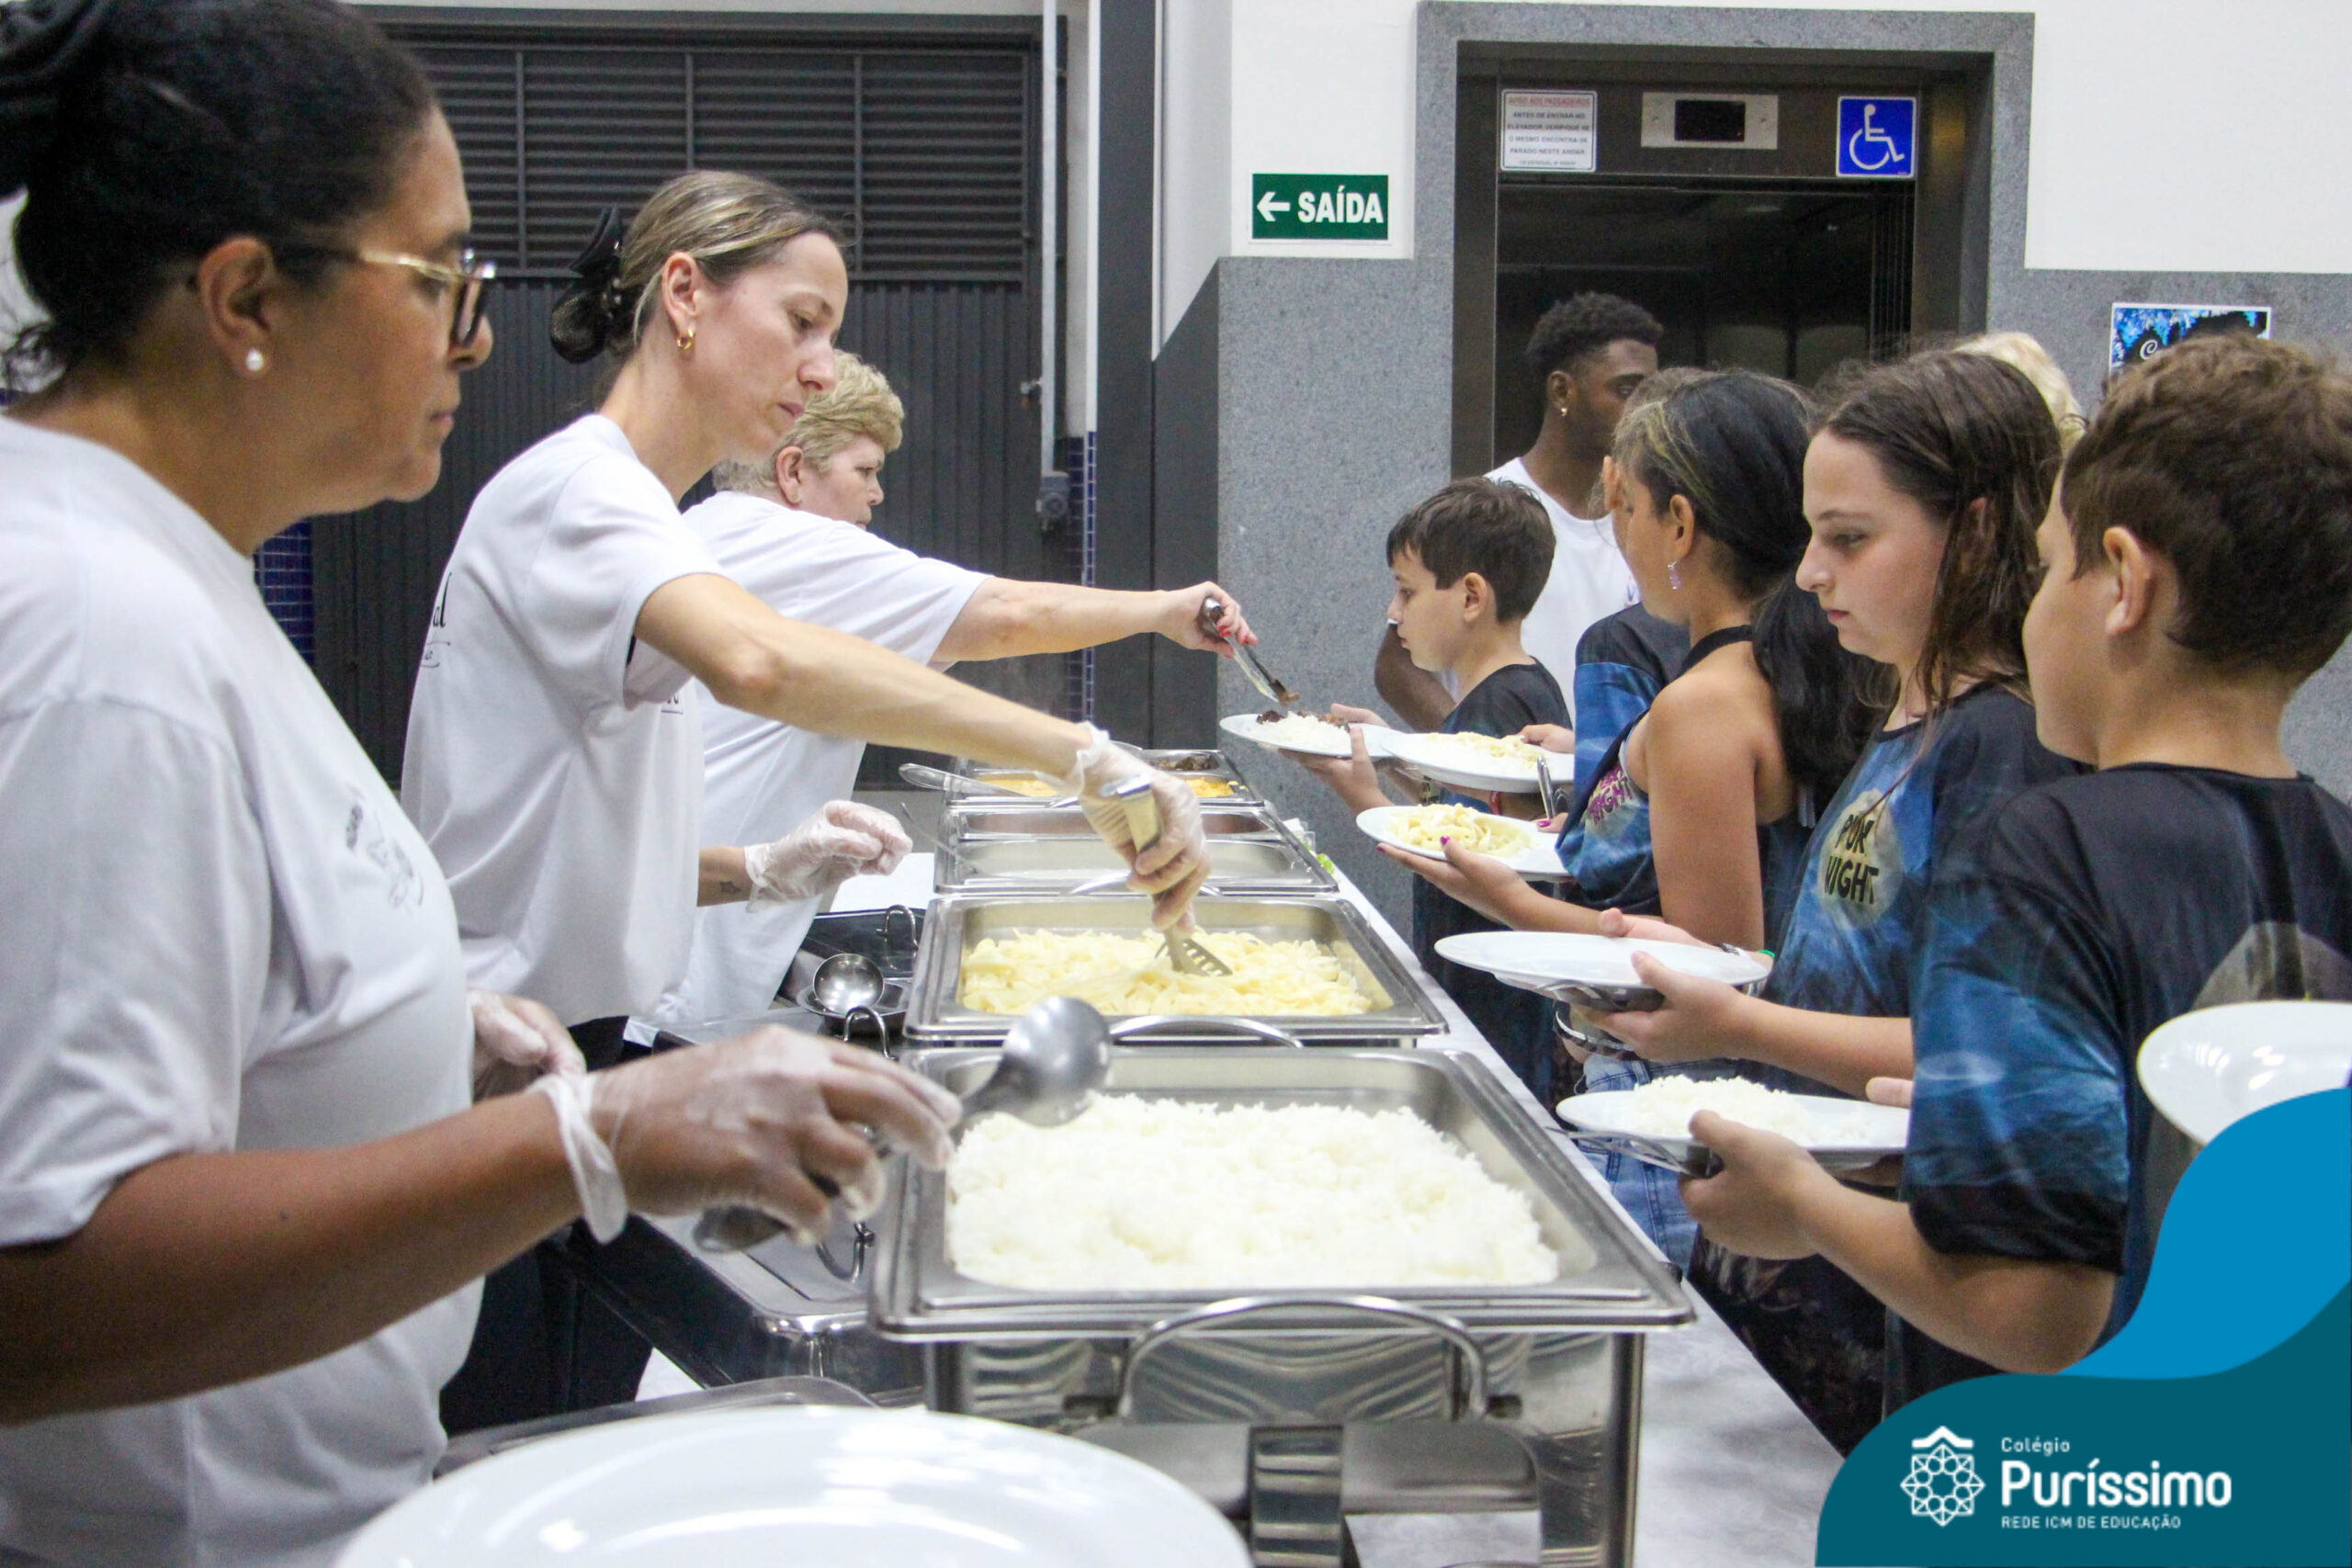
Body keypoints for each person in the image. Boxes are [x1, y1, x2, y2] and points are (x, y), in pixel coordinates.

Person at [0, 3, 960, 1562]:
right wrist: (587, 1141)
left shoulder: (175, 583)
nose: (479, 333)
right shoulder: (93, 630)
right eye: (442, 277)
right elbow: (43, 1282)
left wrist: (409, 1029)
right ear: (247, 295)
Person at [402, 169, 1214, 1429]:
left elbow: (558, 827)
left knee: (564, 1422)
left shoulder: (649, 517)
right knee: (502, 1441)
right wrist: (1082, 755)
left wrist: (757, 867)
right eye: (801, 322)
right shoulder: (581, 491)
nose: (823, 367)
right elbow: (764, 664)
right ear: (686, 295)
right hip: (493, 1066)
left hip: (568, 1049)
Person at [1676, 334, 2352, 1413]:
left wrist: (1800, 1201)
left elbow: (2029, 1307)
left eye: (2049, 568)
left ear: (2123, 583)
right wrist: (1962, 1132)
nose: (2028, 607)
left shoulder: (2044, 850)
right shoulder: (2331, 845)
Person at [1592, 349, 2081, 1450]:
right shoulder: (1907, 721)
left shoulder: (2000, 750)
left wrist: (1737, 1022)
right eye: (1812, 536)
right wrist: (1715, 976)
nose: (1811, 574)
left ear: (1978, 533)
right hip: (1798, 1249)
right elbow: (1862, 969)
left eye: (1850, 539)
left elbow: (1971, 1055)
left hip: (1882, 1288)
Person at [1394, 371, 1875, 1265]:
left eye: (1625, 510)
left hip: (1675, 1120)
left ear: (1679, 526)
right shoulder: (1778, 674)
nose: (1619, 537)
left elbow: (1710, 967)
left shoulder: (1706, 704)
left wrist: (1509, 901)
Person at [662, 351, 1256, 1025]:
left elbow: (924, 664)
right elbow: (1007, 615)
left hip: (671, 926)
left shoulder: (706, 530)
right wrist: (1163, 611)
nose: (877, 495)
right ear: (793, 471)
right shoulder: (796, 547)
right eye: (865, 471)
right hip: (687, 968)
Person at [1289, 479, 1569, 1093]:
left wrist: (1366, 800)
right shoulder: (1514, 688)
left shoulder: (1503, 705)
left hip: (1499, 1004)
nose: (1394, 612)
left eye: (1407, 591)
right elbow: (1472, 816)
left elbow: (1469, 857)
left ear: (1471, 596)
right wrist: (1392, 753)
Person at [1375, 292, 1675, 731]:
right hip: (1511, 768)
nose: (1643, 411)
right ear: (1562, 390)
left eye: (1648, 393)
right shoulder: (1487, 508)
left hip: (1606, 768)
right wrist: (1475, 748)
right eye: (1626, 390)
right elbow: (1396, 666)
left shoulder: (1652, 517)